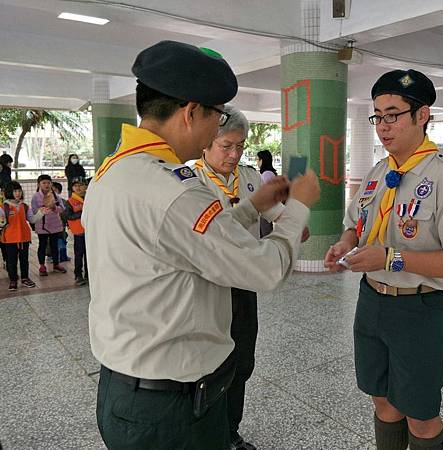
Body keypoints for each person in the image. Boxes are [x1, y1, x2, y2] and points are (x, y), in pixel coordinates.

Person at [83, 40, 320, 450]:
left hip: (126, 389)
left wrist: (251, 208)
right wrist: (298, 205)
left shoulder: (114, 171)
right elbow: (264, 269)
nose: (220, 129)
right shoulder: (173, 190)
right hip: (171, 410)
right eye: (219, 115)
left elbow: (181, 243)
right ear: (192, 112)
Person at [324, 69, 443, 450]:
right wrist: (345, 243)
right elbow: (355, 226)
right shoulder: (378, 173)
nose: (382, 126)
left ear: (422, 115)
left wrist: (392, 258)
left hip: (422, 308)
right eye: (377, 115)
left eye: (392, 114)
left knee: (420, 414)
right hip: (373, 300)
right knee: (382, 400)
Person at [192, 105, 285, 450]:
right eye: (226, 146)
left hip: (243, 286)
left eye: (240, 146)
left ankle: (231, 433)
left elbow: (275, 210)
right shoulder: (192, 181)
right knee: (209, 366)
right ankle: (208, 434)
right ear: (206, 143)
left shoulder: (248, 176)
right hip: (207, 287)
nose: (234, 154)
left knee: (241, 362)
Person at [0, 181, 44, 290]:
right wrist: (1, 221)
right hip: (10, 239)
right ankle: (13, 280)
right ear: (10, 192)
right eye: (15, 191)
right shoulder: (3, 207)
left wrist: (41, 213)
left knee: (24, 260)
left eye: (19, 191)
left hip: (24, 238)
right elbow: (2, 223)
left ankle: (25, 278)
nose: (18, 193)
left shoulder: (24, 206)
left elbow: (32, 219)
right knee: (11, 261)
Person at [31, 175, 67, 276]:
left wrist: (54, 207)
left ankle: (56, 264)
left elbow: (62, 208)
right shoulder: (35, 196)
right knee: (42, 245)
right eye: (44, 183)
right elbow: (34, 211)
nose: (46, 185)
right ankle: (42, 266)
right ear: (39, 184)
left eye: (48, 183)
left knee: (54, 245)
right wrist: (44, 208)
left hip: (55, 224)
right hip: (42, 225)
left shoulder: (55, 195)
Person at [65, 177, 87, 286]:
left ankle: (89, 274)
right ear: (72, 188)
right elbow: (68, 215)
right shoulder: (70, 201)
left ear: (86, 186)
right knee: (79, 254)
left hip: (91, 232)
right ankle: (78, 275)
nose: (78, 187)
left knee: (90, 254)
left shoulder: (91, 198)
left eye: (81, 185)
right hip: (79, 233)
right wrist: (82, 213)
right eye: (75, 185)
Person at [256, 149, 278, 237]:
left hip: (265, 209)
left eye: (258, 159)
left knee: (265, 234)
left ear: (263, 160)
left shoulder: (266, 174)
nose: (257, 162)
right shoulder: (270, 173)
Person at [52, 181, 70, 263]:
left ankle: (63, 256)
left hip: (61, 225)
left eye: (55, 190)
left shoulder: (63, 202)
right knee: (52, 241)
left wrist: (67, 223)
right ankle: (53, 256)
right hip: (50, 226)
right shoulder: (45, 201)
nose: (53, 192)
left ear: (59, 191)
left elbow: (66, 214)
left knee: (62, 239)